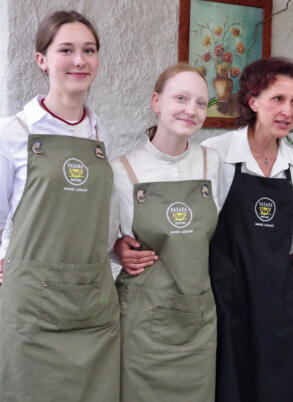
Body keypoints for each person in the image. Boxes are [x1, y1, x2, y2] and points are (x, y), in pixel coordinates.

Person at [0, 10, 120, 401]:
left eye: (89, 50)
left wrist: (119, 247)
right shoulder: (12, 133)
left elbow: (104, 218)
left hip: (92, 305)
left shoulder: (100, 136)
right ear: (42, 60)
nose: (80, 60)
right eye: (66, 50)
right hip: (31, 307)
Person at [202, 57, 293, 402]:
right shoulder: (214, 155)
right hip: (226, 298)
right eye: (277, 99)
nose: (288, 111)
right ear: (253, 101)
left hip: (277, 301)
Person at [109, 64, 222, 401]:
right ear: (156, 102)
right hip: (142, 321)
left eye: (200, 103)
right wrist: (117, 249)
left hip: (198, 320)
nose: (191, 110)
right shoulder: (120, 170)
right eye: (181, 98)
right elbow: (101, 241)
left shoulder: (212, 163)